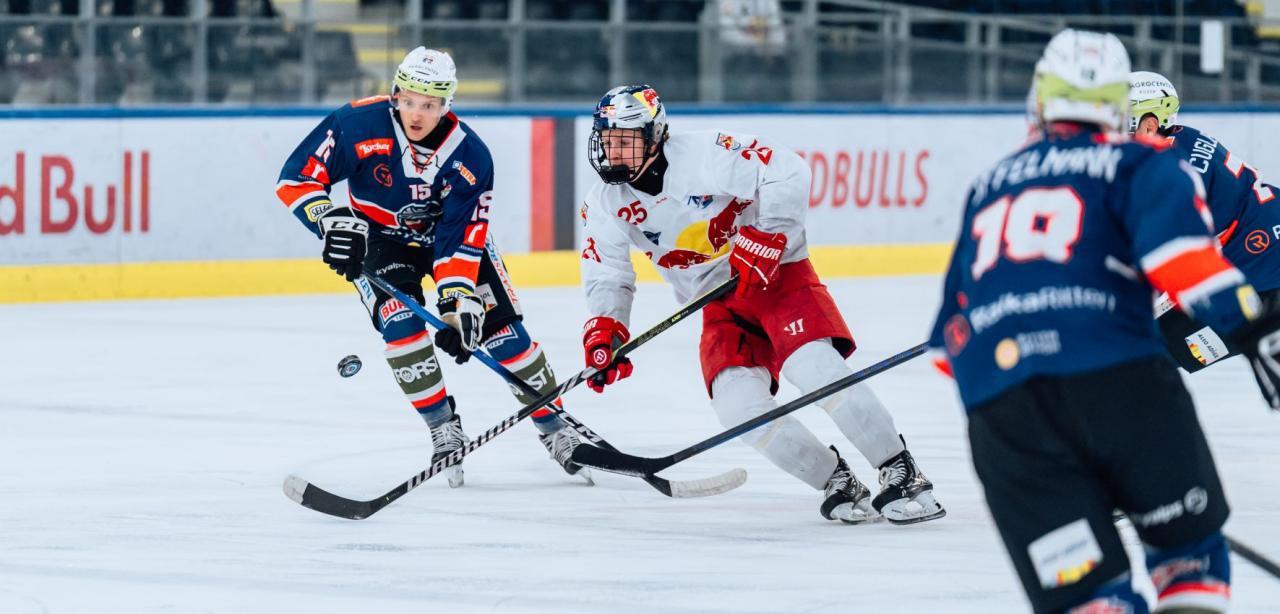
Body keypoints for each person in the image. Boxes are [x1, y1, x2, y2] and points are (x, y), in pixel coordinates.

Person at [930, 28, 1280, 613]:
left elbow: (948, 347)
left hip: (1002, 414)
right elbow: (1195, 271)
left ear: (1039, 101)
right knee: (1190, 563)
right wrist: (1257, 327)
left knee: (1092, 598)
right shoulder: (1140, 165)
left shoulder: (988, 186)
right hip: (1119, 386)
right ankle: (1180, 555)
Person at [577, 84, 944, 525]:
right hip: (718, 305)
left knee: (814, 369)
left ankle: (902, 472)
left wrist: (771, 233)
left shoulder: (705, 153)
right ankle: (836, 480)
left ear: (655, 137)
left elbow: (786, 170)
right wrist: (605, 329)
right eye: (607, 139)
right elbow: (608, 273)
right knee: (739, 409)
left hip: (777, 277)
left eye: (625, 141)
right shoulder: (604, 202)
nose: (612, 152)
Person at [275, 47, 588, 487]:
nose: (417, 113)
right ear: (395, 94)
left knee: (502, 335)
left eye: (430, 104)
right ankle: (443, 428)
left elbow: (460, 237)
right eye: (409, 100)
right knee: (400, 325)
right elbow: (296, 178)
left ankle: (557, 430)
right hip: (379, 239)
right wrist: (328, 220)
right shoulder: (356, 124)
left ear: (446, 105)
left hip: (447, 239)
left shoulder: (471, 157)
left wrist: (457, 301)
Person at [1129, 70, 1280, 386]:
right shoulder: (1177, 143)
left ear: (1150, 124)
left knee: (1146, 356)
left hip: (1266, 272)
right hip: (1259, 258)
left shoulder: (1168, 170)